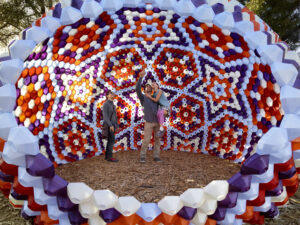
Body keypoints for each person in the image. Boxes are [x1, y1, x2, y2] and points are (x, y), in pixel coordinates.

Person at [135, 70, 161, 163]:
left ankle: (156, 156)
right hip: (149, 123)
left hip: (157, 122)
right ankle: (142, 156)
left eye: (149, 86)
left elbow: (162, 106)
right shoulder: (143, 98)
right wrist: (141, 77)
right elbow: (137, 89)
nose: (148, 87)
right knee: (146, 140)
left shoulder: (156, 97)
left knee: (157, 140)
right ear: (145, 89)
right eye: (146, 86)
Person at [103, 90, 119, 162]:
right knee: (111, 141)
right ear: (107, 96)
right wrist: (110, 125)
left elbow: (115, 116)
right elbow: (105, 116)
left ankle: (107, 157)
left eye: (113, 93)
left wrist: (116, 125)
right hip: (109, 125)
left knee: (110, 140)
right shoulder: (106, 104)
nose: (112, 94)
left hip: (113, 125)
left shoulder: (113, 105)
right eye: (110, 93)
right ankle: (109, 157)